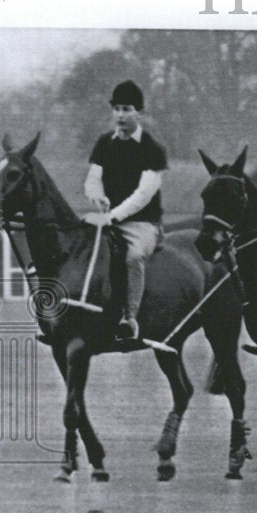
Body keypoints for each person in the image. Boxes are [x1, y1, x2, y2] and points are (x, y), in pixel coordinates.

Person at [83, 80, 167, 341]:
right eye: (116, 108)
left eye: (126, 109)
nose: (120, 114)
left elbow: (143, 195)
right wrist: (97, 196)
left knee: (132, 257)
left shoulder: (152, 149)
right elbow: (93, 178)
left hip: (143, 225)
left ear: (139, 112)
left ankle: (130, 320)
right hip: (108, 219)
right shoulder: (103, 143)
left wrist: (112, 216)